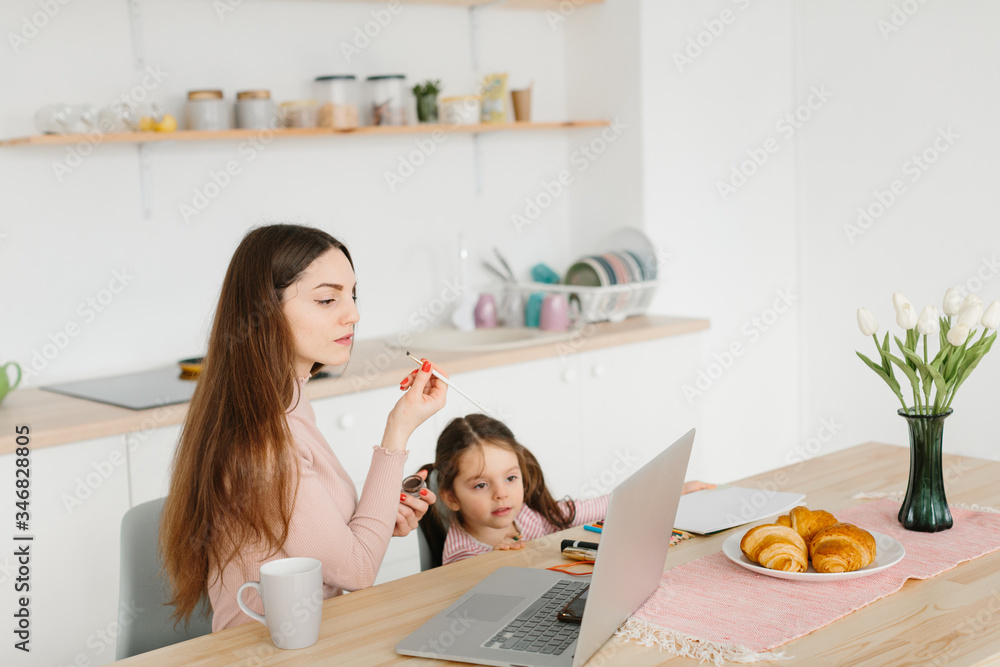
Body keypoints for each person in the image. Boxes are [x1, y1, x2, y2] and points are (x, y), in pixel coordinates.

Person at [160, 224, 447, 631]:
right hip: (266, 652)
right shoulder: (262, 438)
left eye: (352, 295)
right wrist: (397, 430)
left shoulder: (284, 400)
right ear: (264, 310)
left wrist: (380, 514)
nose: (353, 314)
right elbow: (357, 570)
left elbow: (316, 537)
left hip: (317, 634)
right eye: (328, 299)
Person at [419, 414, 714, 565]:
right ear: (451, 497)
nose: (501, 493)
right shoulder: (462, 556)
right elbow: (469, 591)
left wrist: (672, 491)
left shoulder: (529, 516)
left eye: (510, 478)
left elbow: (600, 505)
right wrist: (491, 562)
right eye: (481, 485)